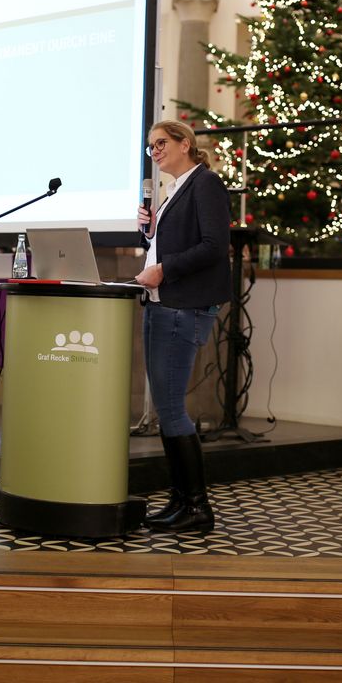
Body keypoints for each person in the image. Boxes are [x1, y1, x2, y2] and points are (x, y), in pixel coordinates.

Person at [133, 119, 232, 533]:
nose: (154, 152)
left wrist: (164, 269)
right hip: (164, 303)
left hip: (182, 306)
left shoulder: (205, 183)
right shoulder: (176, 190)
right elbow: (175, 243)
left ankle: (197, 507)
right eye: (150, 147)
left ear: (185, 144)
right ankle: (179, 500)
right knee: (166, 407)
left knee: (172, 409)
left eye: (161, 143)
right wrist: (150, 233)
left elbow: (213, 246)